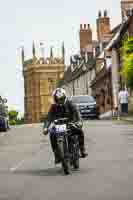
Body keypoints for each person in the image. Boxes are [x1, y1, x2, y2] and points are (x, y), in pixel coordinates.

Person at [43, 88, 88, 164]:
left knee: (79, 131)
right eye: (57, 99)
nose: (59, 101)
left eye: (61, 99)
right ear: (55, 99)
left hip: (71, 123)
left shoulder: (70, 103)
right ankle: (56, 154)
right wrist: (45, 127)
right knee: (52, 135)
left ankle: (82, 149)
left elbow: (77, 114)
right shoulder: (53, 106)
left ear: (64, 97)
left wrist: (79, 122)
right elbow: (49, 118)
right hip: (58, 125)